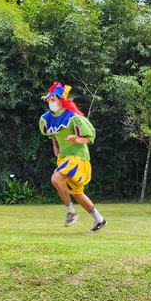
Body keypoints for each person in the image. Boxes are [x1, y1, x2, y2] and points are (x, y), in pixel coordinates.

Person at [38, 82, 106, 232]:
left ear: (62, 100)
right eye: (49, 100)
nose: (51, 103)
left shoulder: (73, 118)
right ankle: (99, 219)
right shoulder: (47, 118)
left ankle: (70, 212)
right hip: (64, 158)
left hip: (78, 158)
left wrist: (75, 139)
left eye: (53, 100)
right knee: (77, 193)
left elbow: (90, 137)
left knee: (56, 179)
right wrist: (55, 146)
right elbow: (52, 134)